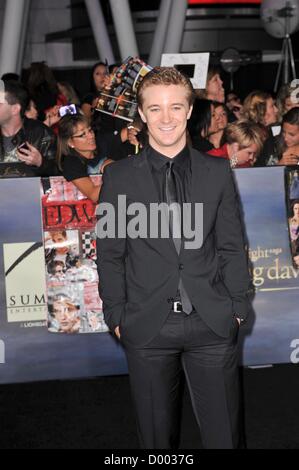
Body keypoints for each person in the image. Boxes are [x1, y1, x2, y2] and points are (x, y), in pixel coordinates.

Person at [97, 67, 251, 449]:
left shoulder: (217, 172)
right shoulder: (118, 177)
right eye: (155, 108)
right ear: (143, 114)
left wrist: (237, 306)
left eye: (175, 107)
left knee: (225, 438)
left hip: (213, 322)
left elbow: (231, 245)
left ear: (188, 110)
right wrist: (116, 316)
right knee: (155, 442)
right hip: (147, 325)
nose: (165, 118)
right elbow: (110, 253)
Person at [0, 80, 57, 178]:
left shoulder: (42, 134)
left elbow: (61, 173)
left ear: (15, 109)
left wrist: (41, 162)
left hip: (33, 192)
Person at [57, 114, 113, 202]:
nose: (91, 136)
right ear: (70, 142)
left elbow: (126, 133)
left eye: (90, 130)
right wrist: (114, 171)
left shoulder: (101, 145)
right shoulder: (71, 163)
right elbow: (94, 195)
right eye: (82, 135)